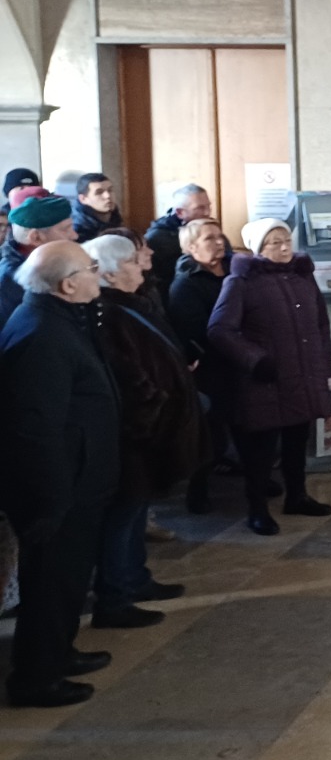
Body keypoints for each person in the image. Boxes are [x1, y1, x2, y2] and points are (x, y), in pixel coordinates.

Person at [0, 241, 119, 707]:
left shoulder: (60, 321)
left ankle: (59, 653)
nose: (99, 276)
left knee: (67, 578)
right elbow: (36, 429)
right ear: (68, 285)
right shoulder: (41, 336)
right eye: (93, 269)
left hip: (78, 480)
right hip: (59, 489)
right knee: (50, 581)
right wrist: (53, 499)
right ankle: (36, 679)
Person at [80, 235, 201, 628]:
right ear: (110, 273)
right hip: (134, 435)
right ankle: (115, 597)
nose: (143, 266)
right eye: (133, 261)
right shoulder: (109, 314)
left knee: (136, 510)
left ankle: (135, 578)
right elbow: (129, 376)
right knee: (123, 514)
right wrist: (155, 413)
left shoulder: (130, 303)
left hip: (149, 430)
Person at [207, 218, 331, 535]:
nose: (283, 246)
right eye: (274, 242)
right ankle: (257, 509)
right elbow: (220, 330)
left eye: (286, 239)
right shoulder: (241, 282)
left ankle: (298, 496)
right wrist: (255, 359)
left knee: (296, 442)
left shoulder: (302, 277)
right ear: (258, 247)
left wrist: (322, 363)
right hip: (266, 380)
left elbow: (320, 324)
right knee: (261, 451)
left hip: (301, 376)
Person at [168, 216, 236, 512]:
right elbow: (193, 331)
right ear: (191, 248)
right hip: (212, 366)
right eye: (210, 238)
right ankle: (199, 489)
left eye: (220, 236)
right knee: (211, 433)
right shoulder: (187, 284)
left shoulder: (236, 272)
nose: (219, 242)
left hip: (242, 362)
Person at [1, 193, 78, 327]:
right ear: (36, 238)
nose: (75, 235)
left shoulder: (47, 264)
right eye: (66, 229)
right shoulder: (9, 281)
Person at [146, 184, 230, 300]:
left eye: (208, 207)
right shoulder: (157, 239)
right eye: (200, 208)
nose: (207, 213)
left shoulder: (214, 231)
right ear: (180, 212)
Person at [70, 173, 122, 243]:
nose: (108, 196)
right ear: (83, 199)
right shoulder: (77, 231)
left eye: (110, 190)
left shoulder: (115, 217)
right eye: (99, 192)